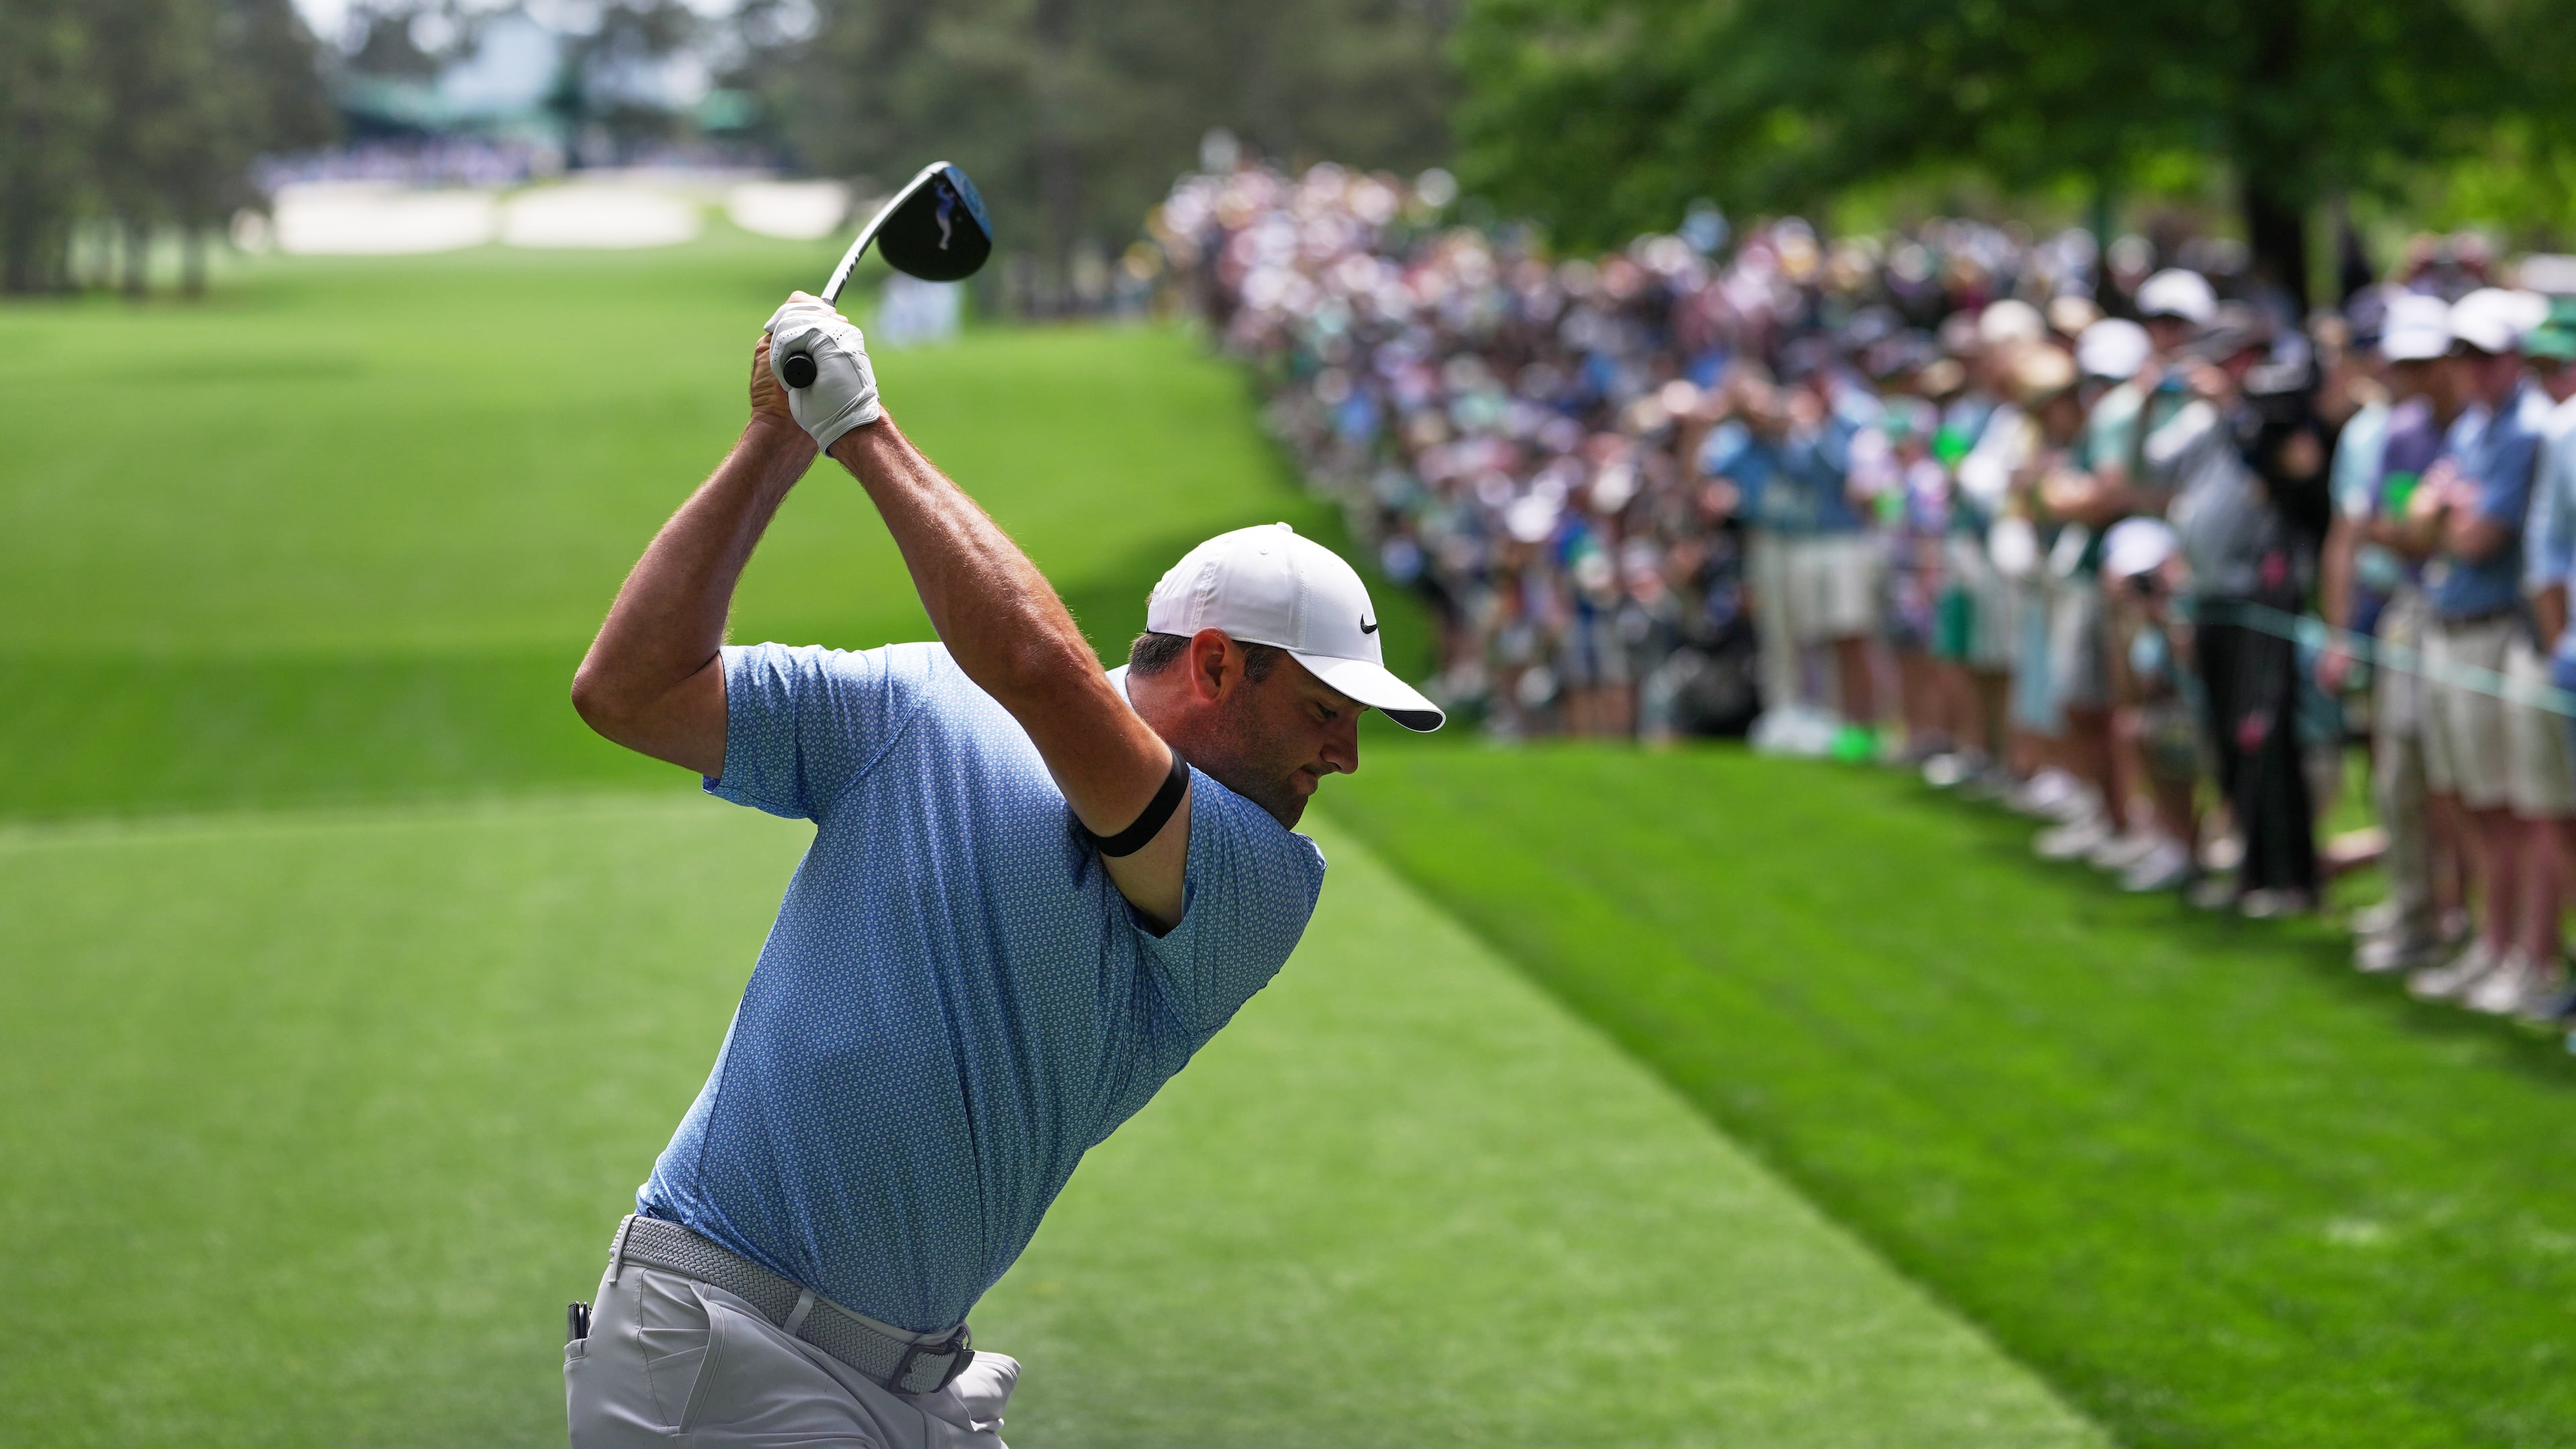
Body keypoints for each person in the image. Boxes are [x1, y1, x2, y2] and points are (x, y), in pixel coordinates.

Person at [561, 294, 1444, 1448]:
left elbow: (1038, 667)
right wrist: (773, 446)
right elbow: (628, 692)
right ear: (1221, 667)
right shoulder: (921, 700)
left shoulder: (1264, 883)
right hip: (721, 1342)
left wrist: (860, 430)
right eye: (1327, 712)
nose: (1347, 754)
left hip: (908, 1386)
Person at [2406, 288, 2547, 1008]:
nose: (2472, 369)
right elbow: (2420, 515)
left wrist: (2444, 510)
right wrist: (2443, 512)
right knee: (2467, 799)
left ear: (2515, 358)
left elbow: (2473, 537)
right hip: (2451, 627)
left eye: (2486, 356)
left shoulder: (2526, 431)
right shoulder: (2473, 426)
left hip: (2496, 630)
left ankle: (2522, 953)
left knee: (2508, 807)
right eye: (2464, 355)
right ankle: (2492, 945)